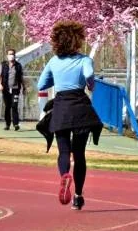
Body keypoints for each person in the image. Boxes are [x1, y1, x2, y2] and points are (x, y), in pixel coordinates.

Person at [37, 20, 103, 211]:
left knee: (64, 152)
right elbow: (89, 74)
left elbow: (41, 85)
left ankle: (64, 175)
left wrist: (56, 78)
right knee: (79, 154)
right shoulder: (84, 60)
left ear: (57, 41)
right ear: (77, 40)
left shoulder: (53, 62)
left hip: (61, 108)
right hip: (80, 108)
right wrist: (90, 84)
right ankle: (78, 196)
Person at [0, 48, 25, 131]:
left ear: (15, 55)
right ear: (7, 55)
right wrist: (0, 84)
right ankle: (7, 124)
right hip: (6, 89)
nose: (11, 55)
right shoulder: (3, 65)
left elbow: (21, 77)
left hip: (15, 89)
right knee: (7, 106)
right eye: (10, 54)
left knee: (14, 106)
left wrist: (24, 87)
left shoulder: (18, 65)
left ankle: (16, 124)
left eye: (12, 54)